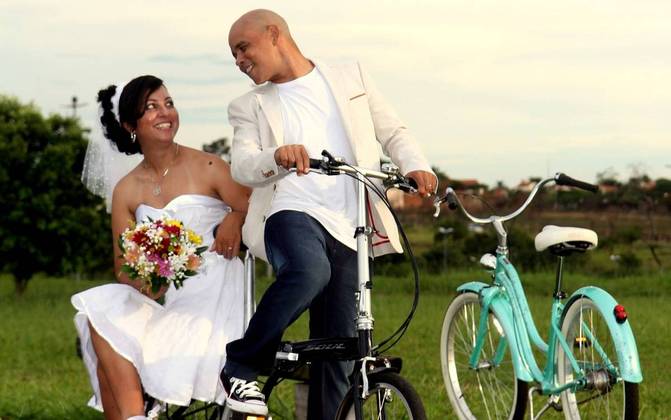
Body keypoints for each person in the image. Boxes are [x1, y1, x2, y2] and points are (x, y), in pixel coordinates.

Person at [221, 9, 437, 419]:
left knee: (339, 352)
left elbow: (393, 131)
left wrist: (416, 165)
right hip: (290, 213)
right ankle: (241, 366)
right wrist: (277, 155)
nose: (238, 61)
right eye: (234, 55)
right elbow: (243, 165)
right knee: (308, 271)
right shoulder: (248, 105)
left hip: (350, 226)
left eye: (242, 48)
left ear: (274, 34)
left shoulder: (349, 77)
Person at [72, 75, 251, 420]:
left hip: (213, 287)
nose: (164, 112)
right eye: (151, 107)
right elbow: (123, 265)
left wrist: (236, 217)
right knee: (99, 307)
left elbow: (255, 207)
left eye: (168, 103)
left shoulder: (209, 166)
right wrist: (150, 278)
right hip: (164, 293)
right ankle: (135, 414)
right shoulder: (126, 189)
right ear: (130, 126)